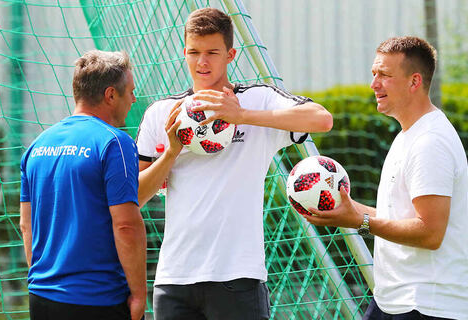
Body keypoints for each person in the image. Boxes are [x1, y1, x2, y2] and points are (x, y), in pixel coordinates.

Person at [136, 7, 333, 320]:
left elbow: (322, 119)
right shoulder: (162, 113)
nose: (202, 62)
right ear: (183, 52)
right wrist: (172, 151)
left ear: (230, 54)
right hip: (175, 280)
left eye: (212, 52)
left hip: (238, 277)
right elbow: (136, 197)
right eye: (194, 52)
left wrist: (240, 116)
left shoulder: (258, 99)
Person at [304, 36, 468, 319]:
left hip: (427, 304)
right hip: (392, 301)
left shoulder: (430, 142)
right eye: (373, 74)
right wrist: (346, 208)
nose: (374, 84)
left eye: (384, 75)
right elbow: (399, 217)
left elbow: (430, 233)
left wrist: (359, 221)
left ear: (414, 82)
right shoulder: (408, 135)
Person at [20, 50, 151, 320]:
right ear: (111, 95)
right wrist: (139, 294)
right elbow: (126, 225)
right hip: (97, 300)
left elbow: (26, 224)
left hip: (41, 296)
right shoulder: (115, 142)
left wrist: (47, 279)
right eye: (130, 92)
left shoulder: (37, 146)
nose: (134, 99)